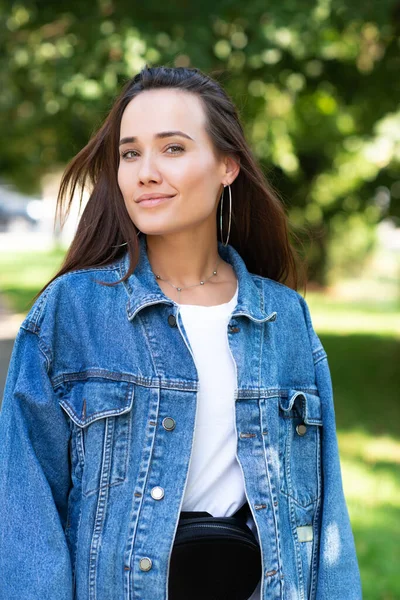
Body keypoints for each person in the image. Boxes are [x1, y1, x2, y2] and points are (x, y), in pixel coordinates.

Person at [0, 65, 362, 600]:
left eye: (172, 148)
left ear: (227, 166)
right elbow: (25, 516)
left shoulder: (286, 319)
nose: (145, 172)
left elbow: (326, 518)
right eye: (130, 153)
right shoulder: (71, 313)